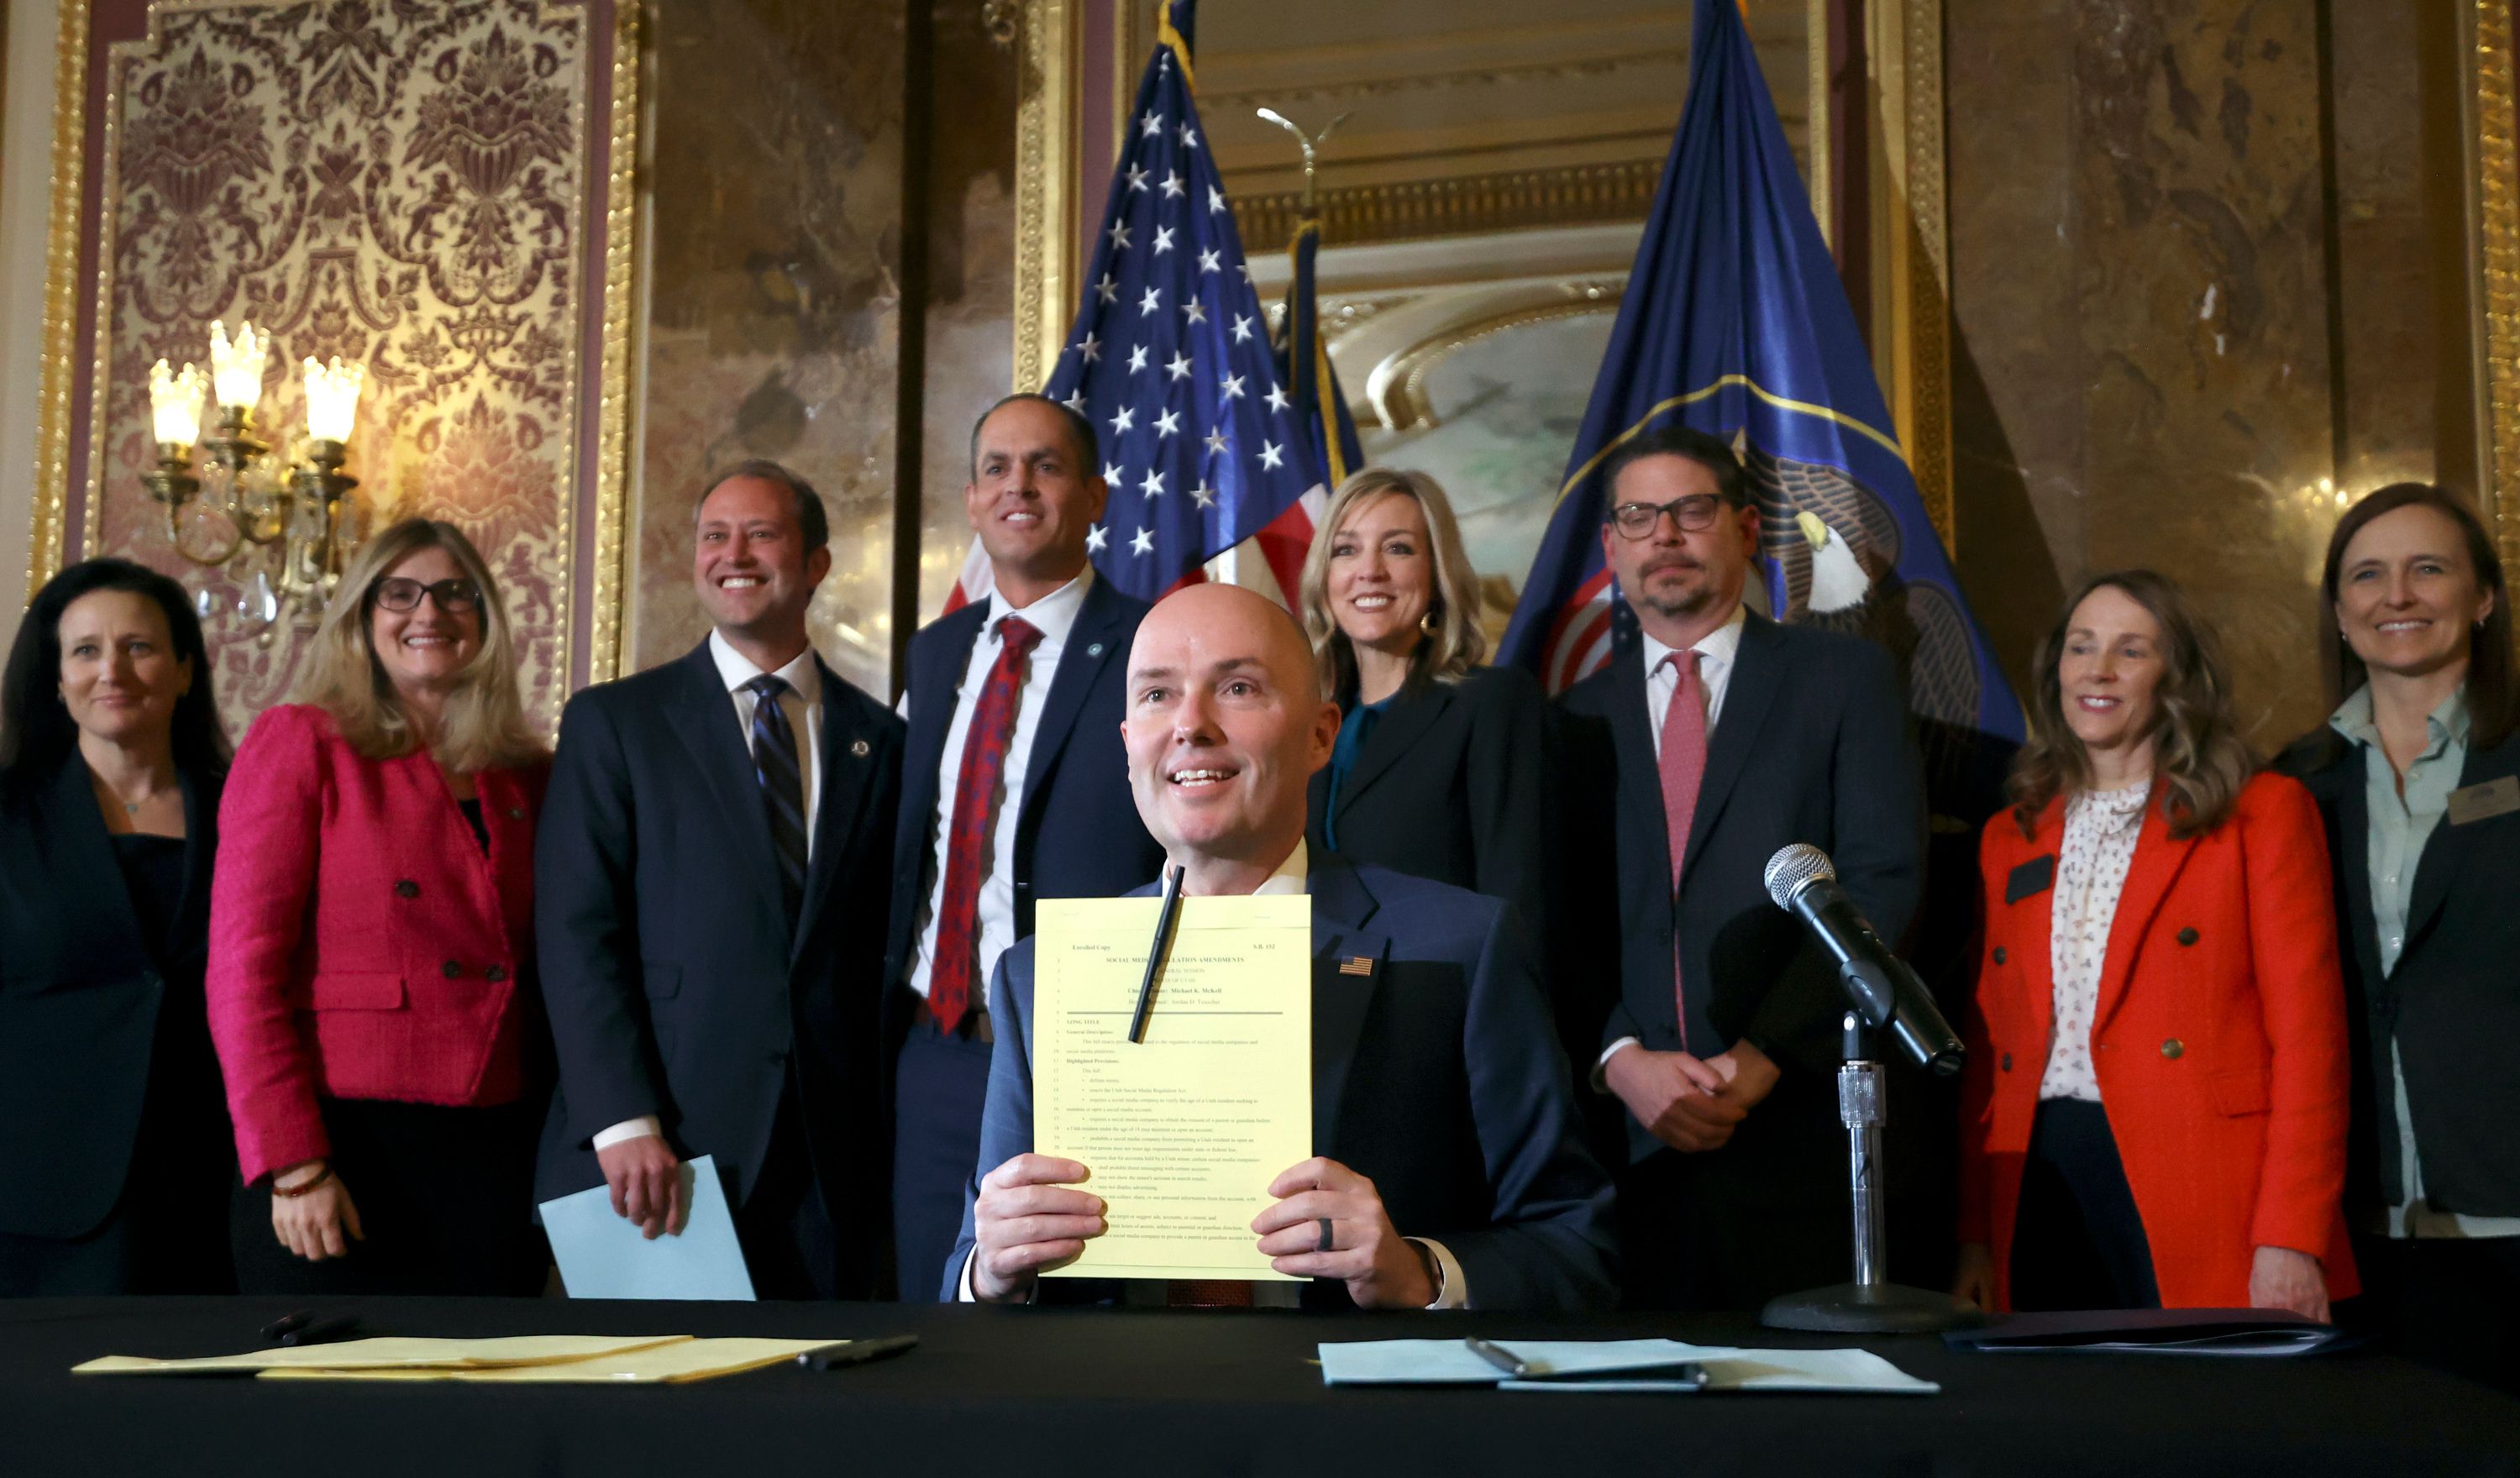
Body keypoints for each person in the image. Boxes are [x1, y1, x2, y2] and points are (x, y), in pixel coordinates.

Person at [945, 583, 1616, 1311]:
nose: (1191, 725)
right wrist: (989, 1271)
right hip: (1112, 1409)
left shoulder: (1462, 947)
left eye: (1237, 688)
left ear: (1322, 734)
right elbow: (965, 1276)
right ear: (1128, 743)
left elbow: (1576, 1252)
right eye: (1157, 696)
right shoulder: (1039, 975)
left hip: (1351, 1414)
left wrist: (1417, 1272)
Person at [1554, 425, 1925, 1311]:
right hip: (1626, 1158)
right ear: (1611, 546)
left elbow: (1881, 883)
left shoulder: (1846, 680)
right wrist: (1620, 1059)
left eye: (1690, 510)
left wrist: (1759, 1059)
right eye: (1639, 517)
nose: (1665, 537)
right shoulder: (1568, 718)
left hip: (1799, 1132)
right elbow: (1556, 917)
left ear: (1748, 529)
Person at [536, 460, 904, 1299]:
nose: (733, 552)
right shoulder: (615, 723)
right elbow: (574, 931)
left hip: (831, 1164)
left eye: (762, 533)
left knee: (813, 1419)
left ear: (815, 563)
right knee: (654, 1417)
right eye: (714, 535)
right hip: (661, 1151)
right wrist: (622, 1117)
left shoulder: (879, 740)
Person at [1954, 569, 2355, 1317]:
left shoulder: (2261, 814)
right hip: (2037, 1175)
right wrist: (1975, 1234)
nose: (2098, 671)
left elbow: (2312, 1044)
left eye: (2130, 651)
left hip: (2200, 1182)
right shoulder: (2012, 834)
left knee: (2197, 1425)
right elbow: (1989, 1051)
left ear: (2178, 677)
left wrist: (2292, 1236)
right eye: (2081, 648)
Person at [208, 521, 553, 1296]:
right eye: (398, 594)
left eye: (454, 594)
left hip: (497, 1146)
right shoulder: (303, 742)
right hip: (344, 1147)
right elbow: (242, 974)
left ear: (486, 619)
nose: (427, 613)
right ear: (362, 618)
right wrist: (293, 1165)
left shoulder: (529, 773)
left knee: (480, 1400)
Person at [886, 395, 1164, 1299]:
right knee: (938, 1311)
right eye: (998, 468)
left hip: (1088, 1054)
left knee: (1086, 1328)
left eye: (1045, 466)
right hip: (940, 1053)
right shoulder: (934, 657)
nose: (1019, 485)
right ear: (971, 500)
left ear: (1095, 496)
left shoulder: (1149, 645)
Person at [2276, 484, 2520, 1388]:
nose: (2398, 595)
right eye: (2368, 576)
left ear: (2484, 596)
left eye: (2429, 569)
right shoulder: (2292, 785)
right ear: (2341, 615)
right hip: (2353, 1224)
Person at [0, 559, 234, 1296]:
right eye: (86, 650)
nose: (113, 670)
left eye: (139, 646)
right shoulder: (7, 817)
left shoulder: (248, 813)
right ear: (58, 678)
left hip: (213, 1177)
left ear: (185, 669)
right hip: (37, 1188)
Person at [1298, 467, 1548, 946]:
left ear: (1436, 573)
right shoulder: (1306, 724)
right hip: (1318, 1007)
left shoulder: (1493, 704)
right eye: (1346, 550)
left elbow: (1518, 901)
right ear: (1324, 577)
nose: (1369, 570)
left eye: (1398, 548)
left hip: (1441, 1004)